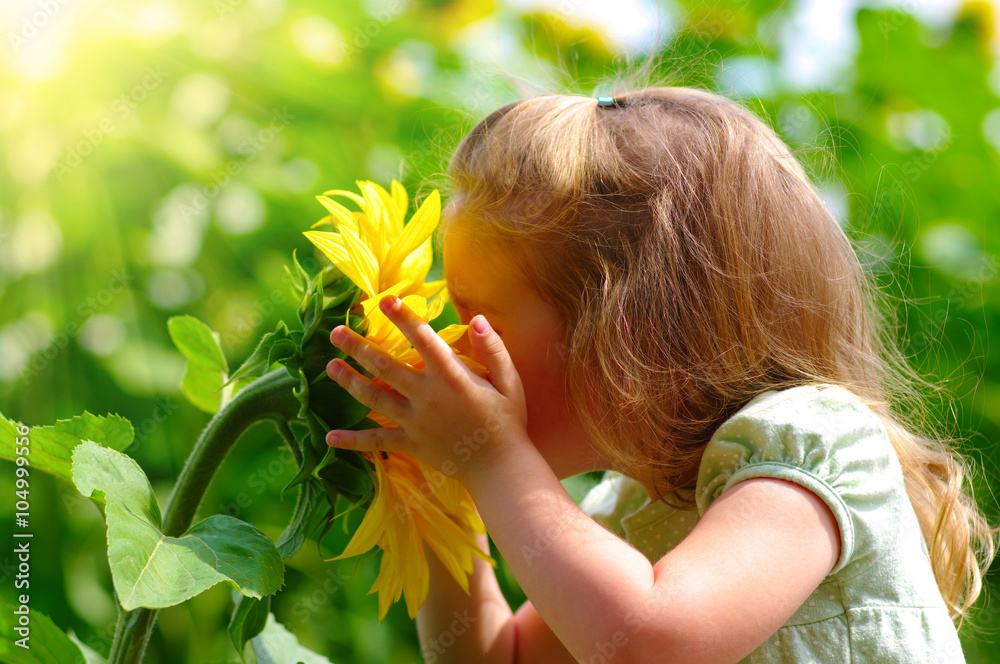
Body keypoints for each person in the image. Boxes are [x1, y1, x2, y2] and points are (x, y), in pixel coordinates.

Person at [322, 87, 997, 663]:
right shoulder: (627, 511)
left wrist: (494, 461)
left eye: (478, 318)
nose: (451, 349)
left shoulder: (811, 443)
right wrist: (435, 492)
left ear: (624, 332)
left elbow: (654, 644)